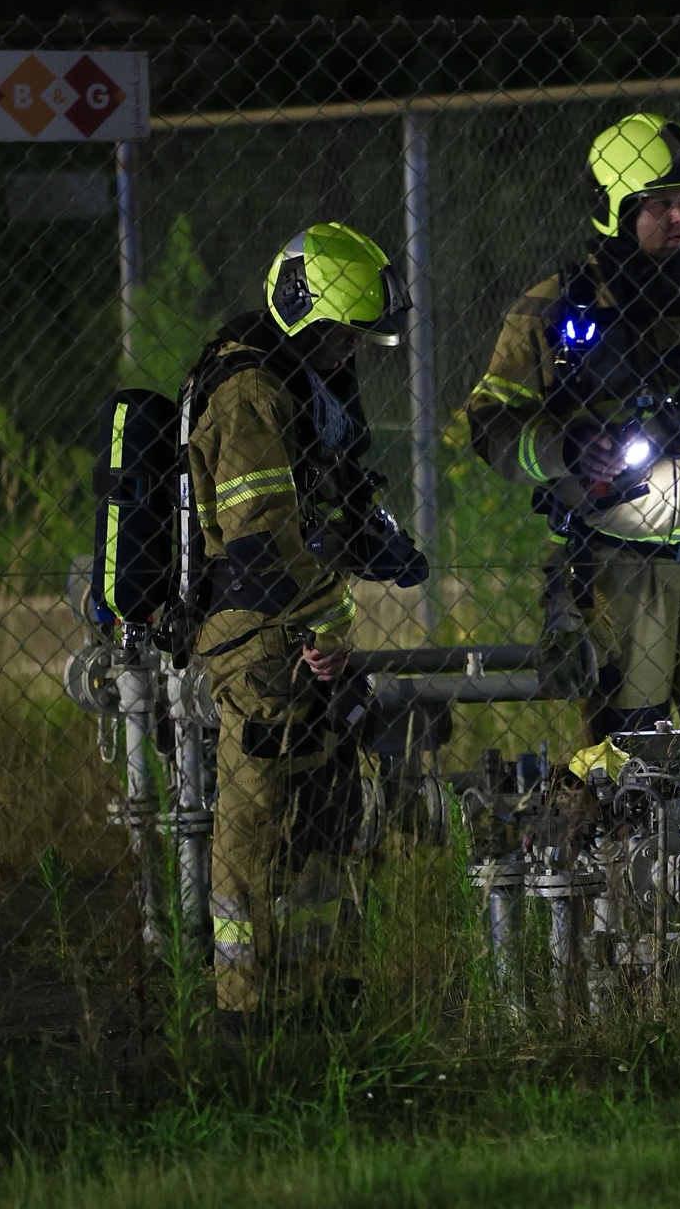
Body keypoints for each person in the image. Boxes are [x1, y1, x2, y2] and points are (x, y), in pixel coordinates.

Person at [468, 113, 680, 763]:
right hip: (619, 579)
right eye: (660, 203)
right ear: (616, 208)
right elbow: (489, 426)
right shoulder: (554, 309)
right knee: (630, 781)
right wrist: (566, 447)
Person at [186, 222, 426, 1021]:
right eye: (335, 337)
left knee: (325, 808)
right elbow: (261, 536)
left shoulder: (299, 379)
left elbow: (323, 502)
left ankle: (314, 985)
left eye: (354, 340)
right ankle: (244, 1006)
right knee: (257, 818)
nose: (345, 353)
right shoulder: (251, 394)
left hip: (303, 625)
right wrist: (325, 627)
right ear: (299, 315)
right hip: (258, 634)